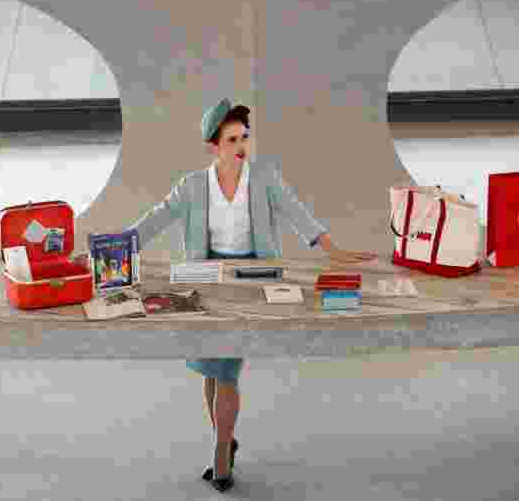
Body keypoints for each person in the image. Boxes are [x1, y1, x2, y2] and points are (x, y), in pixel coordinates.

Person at [124, 97, 378, 492]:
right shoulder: (193, 185)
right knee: (211, 368)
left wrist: (334, 249)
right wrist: (112, 249)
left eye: (244, 137)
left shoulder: (263, 178)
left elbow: (296, 211)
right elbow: (154, 219)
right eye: (232, 140)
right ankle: (225, 440)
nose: (241, 146)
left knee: (225, 367)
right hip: (207, 279)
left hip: (252, 279)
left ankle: (221, 454)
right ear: (214, 145)